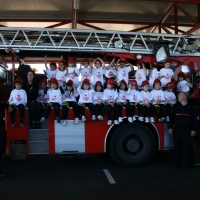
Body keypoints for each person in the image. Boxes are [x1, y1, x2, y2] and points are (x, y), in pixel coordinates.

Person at [168, 92, 199, 170]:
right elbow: (171, 118)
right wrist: (170, 128)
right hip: (177, 131)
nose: (178, 96)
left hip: (187, 131)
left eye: (179, 95)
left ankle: (191, 166)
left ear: (185, 97)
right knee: (177, 149)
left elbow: (195, 119)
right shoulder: (176, 107)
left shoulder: (191, 107)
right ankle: (177, 165)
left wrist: (194, 129)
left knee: (189, 149)